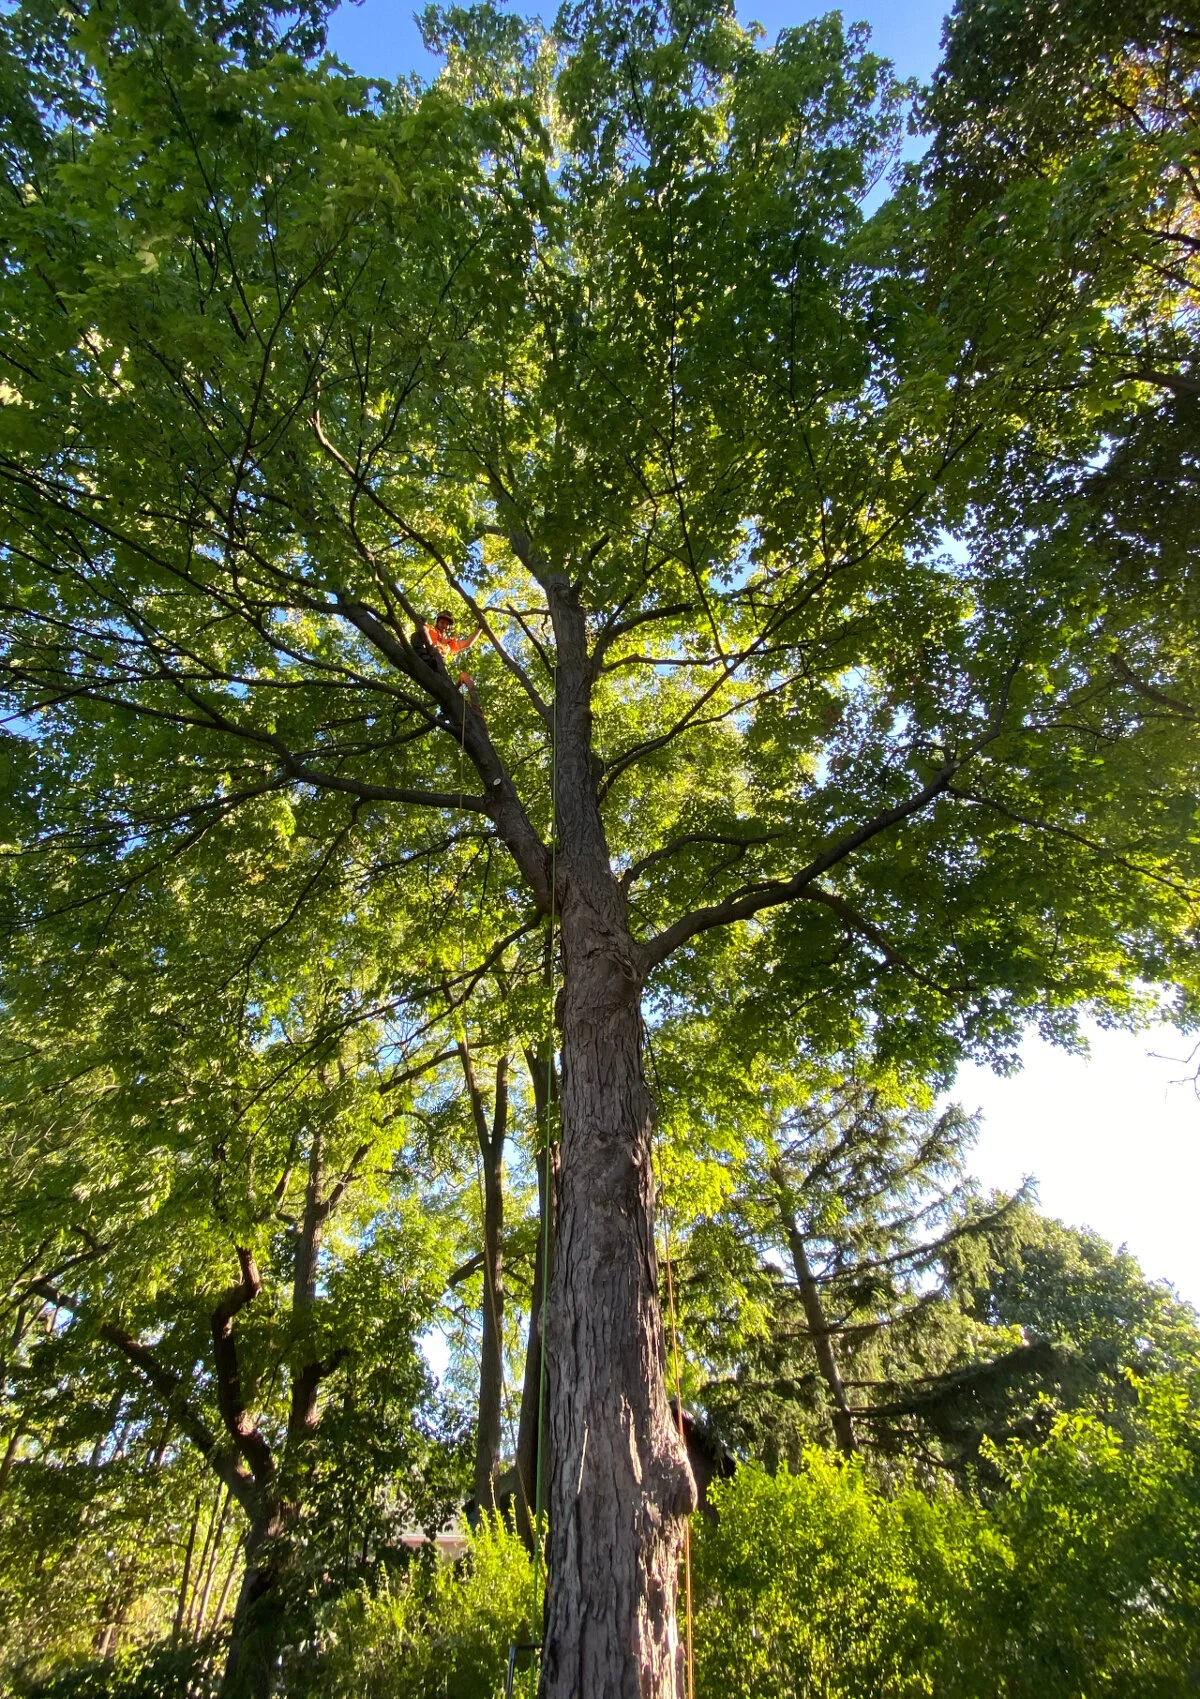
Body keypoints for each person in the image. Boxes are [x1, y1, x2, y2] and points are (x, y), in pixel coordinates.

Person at [417, 610, 484, 715]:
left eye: (447, 624)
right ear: (437, 622)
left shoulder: (449, 643)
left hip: (438, 663)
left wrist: (479, 629)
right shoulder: (430, 629)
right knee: (415, 636)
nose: (444, 625)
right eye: (442, 623)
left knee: (445, 688)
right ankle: (425, 660)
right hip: (425, 656)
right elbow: (422, 629)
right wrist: (421, 622)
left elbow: (467, 643)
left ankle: (447, 710)